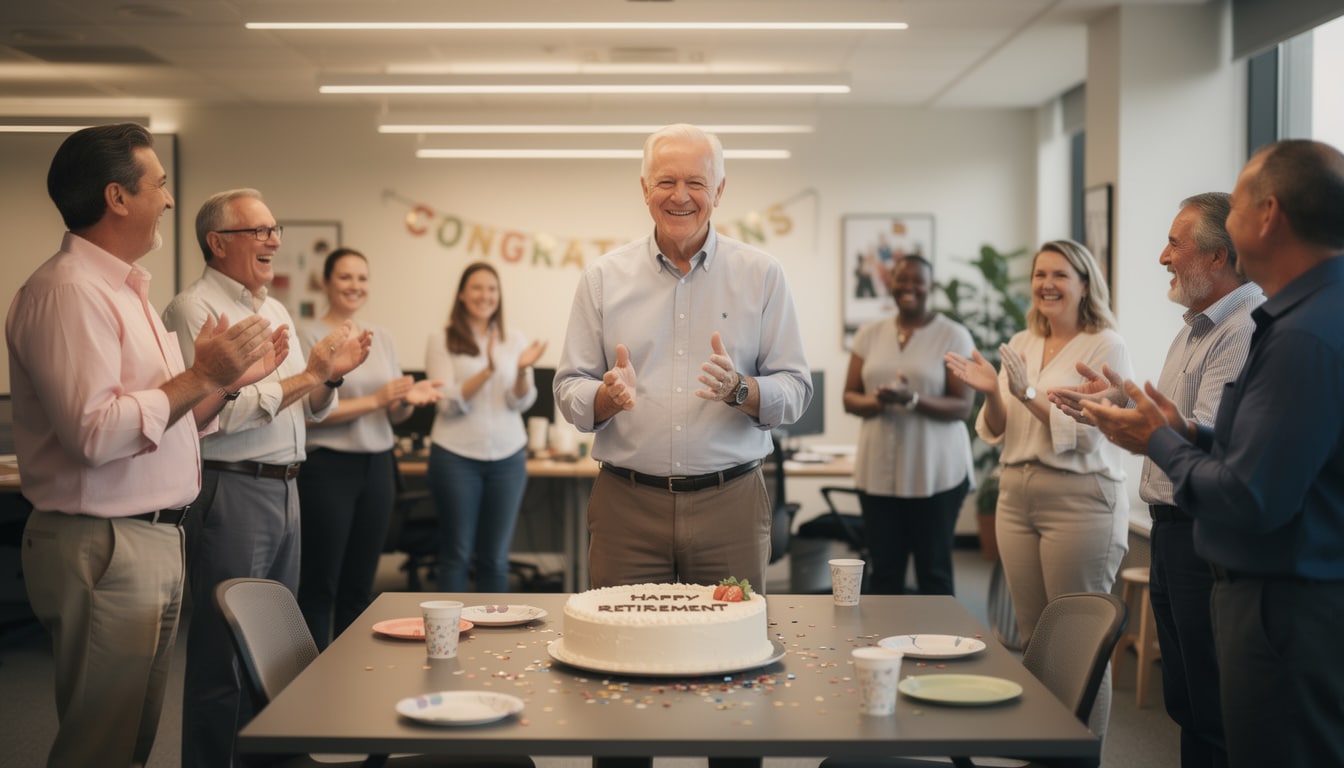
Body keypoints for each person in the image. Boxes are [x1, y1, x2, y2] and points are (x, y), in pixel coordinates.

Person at [7, 123, 282, 768]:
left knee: (129, 741)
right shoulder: (70, 292)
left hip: (149, 538)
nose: (169, 198)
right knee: (98, 746)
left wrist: (224, 385)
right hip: (103, 544)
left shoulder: (124, 289)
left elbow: (167, 418)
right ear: (117, 197)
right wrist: (203, 375)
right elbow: (95, 433)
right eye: (159, 184)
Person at [1083, 140, 1344, 768]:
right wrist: (1181, 433)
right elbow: (1263, 450)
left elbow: (1249, 494)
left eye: (1238, 206)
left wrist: (1161, 441)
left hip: (1284, 605)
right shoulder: (1302, 316)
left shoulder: (1301, 333)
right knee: (1203, 714)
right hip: (1275, 591)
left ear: (1268, 215)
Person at [162, 188, 373, 768]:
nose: (273, 240)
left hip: (287, 487)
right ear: (217, 241)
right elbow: (215, 416)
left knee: (276, 655)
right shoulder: (195, 310)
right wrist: (308, 375)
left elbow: (308, 407)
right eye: (258, 230)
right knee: (222, 656)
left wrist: (327, 380)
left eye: (274, 229)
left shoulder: (274, 309)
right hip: (233, 486)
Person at [554, 122, 812, 595]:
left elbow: (796, 388)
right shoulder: (603, 278)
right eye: (666, 181)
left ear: (719, 189)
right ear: (644, 189)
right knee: (623, 650)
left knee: (730, 651)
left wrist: (742, 389)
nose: (680, 196)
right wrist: (606, 399)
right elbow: (569, 385)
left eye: (696, 182)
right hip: (626, 505)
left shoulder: (762, 276)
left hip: (730, 503)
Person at [1050, 193, 1260, 768]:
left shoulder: (1241, 329)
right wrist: (1120, 396)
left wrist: (1129, 423)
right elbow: (1178, 413)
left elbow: (1209, 435)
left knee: (1210, 704)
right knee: (1188, 700)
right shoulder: (1195, 327)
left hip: (1201, 532)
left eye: (1175, 242)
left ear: (1217, 256)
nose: (1162, 256)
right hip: (1172, 531)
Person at [944, 238, 1131, 740]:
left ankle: (1081, 754)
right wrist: (992, 391)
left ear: (1085, 284)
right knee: (1035, 638)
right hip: (1016, 493)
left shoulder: (1106, 345)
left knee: (1078, 644)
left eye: (1060, 275)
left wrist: (1026, 391)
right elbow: (1000, 429)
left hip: (1079, 498)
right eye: (1039, 275)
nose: (1046, 284)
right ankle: (1045, 747)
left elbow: (1088, 430)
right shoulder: (1022, 343)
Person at [297, 247, 441, 648]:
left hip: (378, 466)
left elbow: (391, 416)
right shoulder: (308, 334)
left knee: (361, 585)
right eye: (345, 277)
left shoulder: (382, 338)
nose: (355, 286)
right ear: (326, 282)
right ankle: (308, 679)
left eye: (362, 278)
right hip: (327, 469)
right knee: (320, 583)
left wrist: (407, 399)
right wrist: (378, 400)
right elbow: (309, 413)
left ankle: (348, 673)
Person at [842, 254, 974, 595]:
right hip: (878, 475)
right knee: (884, 573)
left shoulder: (952, 335)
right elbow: (849, 397)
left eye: (918, 280)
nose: (909, 287)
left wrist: (913, 400)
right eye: (902, 279)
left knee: (934, 573)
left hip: (936, 473)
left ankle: (942, 646)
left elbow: (963, 405)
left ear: (931, 286)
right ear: (891, 283)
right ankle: (882, 646)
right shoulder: (870, 334)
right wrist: (879, 401)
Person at [424, 261, 546, 592]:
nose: (485, 295)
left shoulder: (514, 339)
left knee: (496, 558)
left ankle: (494, 638)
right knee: (457, 555)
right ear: (462, 294)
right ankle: (449, 639)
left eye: (492, 288)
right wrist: (487, 371)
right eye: (477, 287)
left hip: (508, 457)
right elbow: (445, 401)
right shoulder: (442, 339)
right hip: (455, 457)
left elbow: (520, 401)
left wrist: (520, 371)